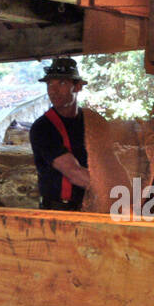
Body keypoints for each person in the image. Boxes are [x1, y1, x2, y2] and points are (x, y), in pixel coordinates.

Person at [29, 57, 92, 210]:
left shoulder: (90, 121)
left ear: (77, 87)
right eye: (50, 84)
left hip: (89, 206)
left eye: (62, 83)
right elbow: (74, 173)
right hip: (59, 211)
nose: (53, 90)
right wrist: (117, 191)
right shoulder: (43, 128)